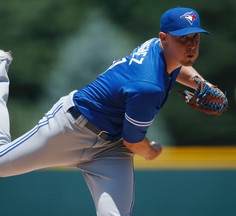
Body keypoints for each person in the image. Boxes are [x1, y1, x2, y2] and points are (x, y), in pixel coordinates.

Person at [0, 6, 220, 216]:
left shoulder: (157, 48)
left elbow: (179, 65)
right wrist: (150, 151)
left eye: (195, 38)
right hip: (71, 128)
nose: (190, 46)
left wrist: (205, 85)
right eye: (182, 38)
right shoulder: (147, 85)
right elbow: (133, 143)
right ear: (164, 38)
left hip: (110, 149)